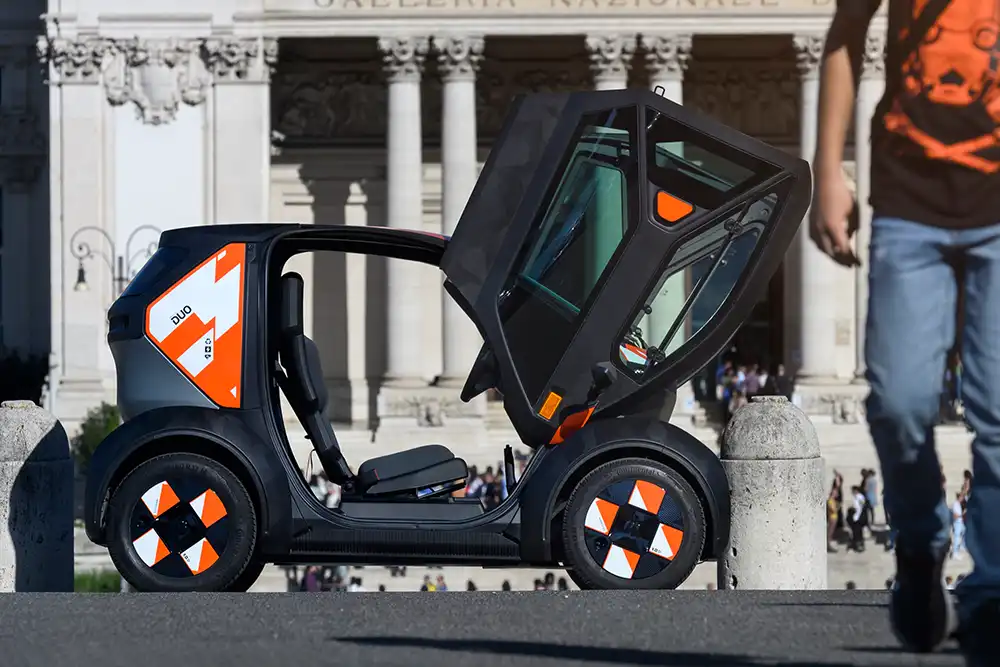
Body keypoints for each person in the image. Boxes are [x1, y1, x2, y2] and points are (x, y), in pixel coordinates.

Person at [811, 1, 1000, 662]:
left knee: (999, 408)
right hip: (907, 198)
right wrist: (827, 171)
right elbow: (845, 34)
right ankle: (921, 541)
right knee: (897, 402)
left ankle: (990, 592)